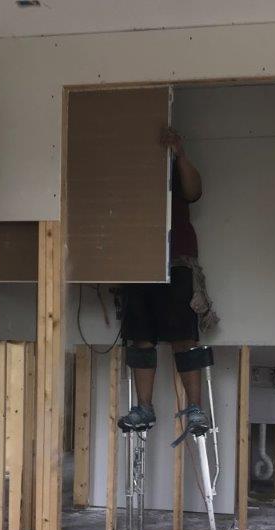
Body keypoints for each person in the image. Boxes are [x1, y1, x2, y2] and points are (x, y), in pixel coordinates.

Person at [118, 127, 209, 434]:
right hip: (136, 263)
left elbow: (194, 191)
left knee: (184, 336)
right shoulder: (127, 174)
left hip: (176, 260)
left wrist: (179, 154)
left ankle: (195, 410)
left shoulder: (171, 166)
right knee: (140, 335)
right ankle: (144, 408)